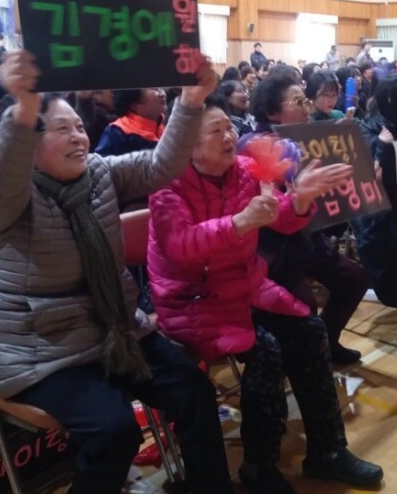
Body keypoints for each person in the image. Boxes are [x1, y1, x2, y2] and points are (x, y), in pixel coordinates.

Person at [0, 50, 233, 494]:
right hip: (44, 353)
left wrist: (191, 100)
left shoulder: (97, 173)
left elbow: (161, 166)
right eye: (61, 129)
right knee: (116, 430)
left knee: (194, 390)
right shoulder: (7, 202)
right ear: (27, 147)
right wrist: (24, 109)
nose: (79, 137)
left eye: (79, 126)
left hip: (115, 333)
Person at [147, 95, 384, 493]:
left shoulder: (243, 170)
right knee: (266, 350)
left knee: (309, 330)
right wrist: (239, 223)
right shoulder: (167, 185)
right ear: (186, 142)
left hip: (244, 288)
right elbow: (180, 249)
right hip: (193, 302)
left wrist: (303, 198)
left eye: (229, 127)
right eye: (215, 130)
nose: (229, 136)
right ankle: (259, 466)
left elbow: (281, 217)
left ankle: (327, 451)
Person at [244, 72, 371, 366]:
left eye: (305, 99)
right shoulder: (255, 146)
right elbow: (275, 212)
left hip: (307, 239)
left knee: (355, 278)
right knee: (304, 302)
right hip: (273, 249)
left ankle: (327, 344)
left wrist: (342, 146)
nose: (307, 107)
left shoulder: (304, 138)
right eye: (298, 101)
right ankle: (302, 362)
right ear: (272, 111)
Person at [354, 75, 397, 308]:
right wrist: (383, 148)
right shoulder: (371, 132)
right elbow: (375, 183)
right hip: (381, 213)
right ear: (393, 98)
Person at [95, 88, 167, 157]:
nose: (162, 94)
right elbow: (102, 166)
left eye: (161, 88)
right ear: (133, 103)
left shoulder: (169, 122)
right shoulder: (117, 132)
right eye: (154, 89)